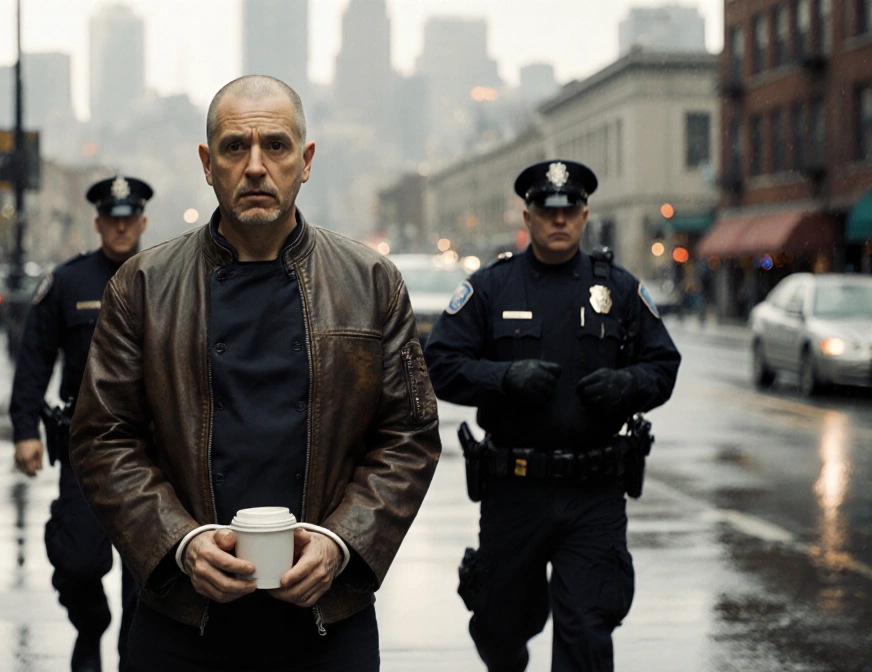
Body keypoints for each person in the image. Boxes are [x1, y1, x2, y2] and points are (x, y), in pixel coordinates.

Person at [66, 75, 442, 672]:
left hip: (326, 617)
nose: (257, 167)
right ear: (206, 163)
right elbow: (101, 436)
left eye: (277, 145)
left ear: (307, 159)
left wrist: (343, 541)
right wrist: (179, 543)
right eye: (235, 148)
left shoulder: (371, 283)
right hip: (182, 620)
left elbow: (409, 435)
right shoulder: (142, 286)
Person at [423, 159, 681, 672]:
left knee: (587, 631)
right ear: (528, 216)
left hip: (594, 491)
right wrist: (504, 378)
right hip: (514, 489)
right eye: (547, 210)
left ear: (585, 215)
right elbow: (440, 364)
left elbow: (663, 365)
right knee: (500, 625)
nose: (558, 219)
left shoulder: (621, 290)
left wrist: (627, 386)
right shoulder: (492, 288)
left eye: (570, 209)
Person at [9, 174, 152, 672]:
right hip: (86, 447)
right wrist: (25, 429)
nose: (120, 227)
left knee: (147, 570)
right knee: (80, 561)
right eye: (112, 220)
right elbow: (34, 360)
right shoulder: (67, 282)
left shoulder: (166, 274)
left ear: (142, 222)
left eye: (129, 218)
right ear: (98, 223)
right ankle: (91, 625)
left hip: (152, 449)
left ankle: (130, 655)